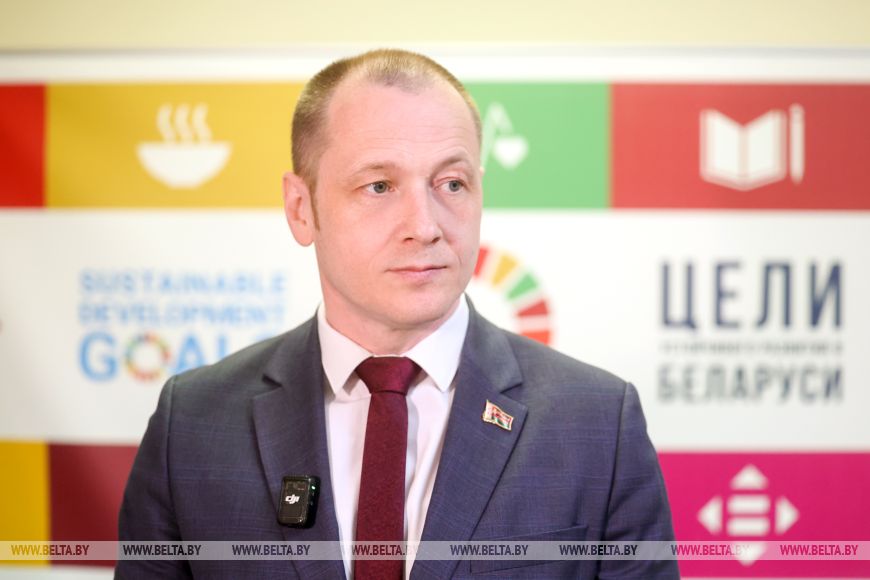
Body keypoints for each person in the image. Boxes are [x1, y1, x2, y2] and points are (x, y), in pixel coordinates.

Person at [117, 48, 679, 579]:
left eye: (452, 183)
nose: (426, 225)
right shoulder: (191, 425)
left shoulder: (598, 425)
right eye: (380, 185)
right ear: (301, 208)